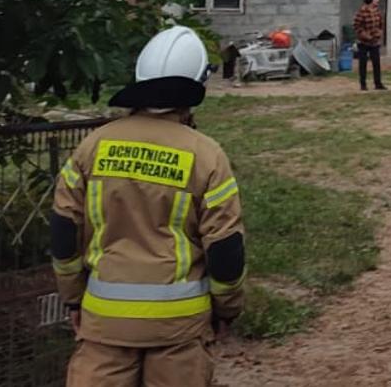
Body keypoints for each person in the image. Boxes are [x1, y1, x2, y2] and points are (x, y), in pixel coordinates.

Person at [51, 25, 246, 387]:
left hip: (104, 323)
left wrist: (73, 299)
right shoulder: (207, 156)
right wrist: (227, 309)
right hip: (180, 329)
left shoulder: (92, 147)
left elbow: (64, 232)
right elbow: (225, 249)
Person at [352, 0, 386, 91]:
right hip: (363, 42)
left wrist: (379, 33)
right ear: (371, 0)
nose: (378, 0)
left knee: (376, 63)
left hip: (375, 41)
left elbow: (381, 24)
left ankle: (378, 83)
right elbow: (356, 26)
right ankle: (363, 84)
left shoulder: (377, 11)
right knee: (363, 63)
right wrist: (366, 35)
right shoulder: (362, 11)